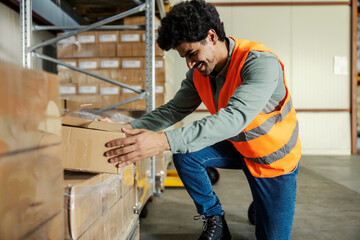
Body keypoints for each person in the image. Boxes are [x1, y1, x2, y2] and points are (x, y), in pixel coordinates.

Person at [104, 0, 301, 239]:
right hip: (238, 147)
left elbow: (234, 117)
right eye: (184, 57)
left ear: (211, 36)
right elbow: (173, 110)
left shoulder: (260, 64)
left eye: (192, 53)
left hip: (273, 161)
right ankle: (215, 220)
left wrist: (162, 141)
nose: (189, 64)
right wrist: (125, 129)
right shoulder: (200, 73)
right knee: (185, 154)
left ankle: (262, 203)